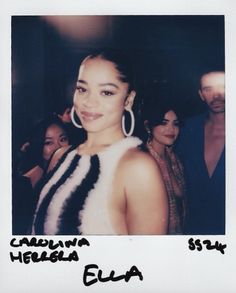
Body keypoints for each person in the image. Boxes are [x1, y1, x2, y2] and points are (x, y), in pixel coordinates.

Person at [31, 49, 168, 235]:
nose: (89, 102)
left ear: (129, 99)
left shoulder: (137, 167)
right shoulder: (61, 156)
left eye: (106, 92)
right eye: (82, 89)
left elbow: (147, 259)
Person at [176, 69, 225, 234]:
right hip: (194, 231)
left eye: (223, 87)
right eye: (208, 89)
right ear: (201, 94)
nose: (216, 96)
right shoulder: (186, 128)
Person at [12, 115, 70, 234]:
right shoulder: (24, 186)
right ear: (38, 146)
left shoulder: (74, 175)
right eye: (48, 142)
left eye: (63, 139)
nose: (59, 147)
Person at [143, 100, 185, 234]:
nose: (171, 129)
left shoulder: (174, 158)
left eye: (175, 124)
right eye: (164, 123)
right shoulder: (143, 162)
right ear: (148, 126)